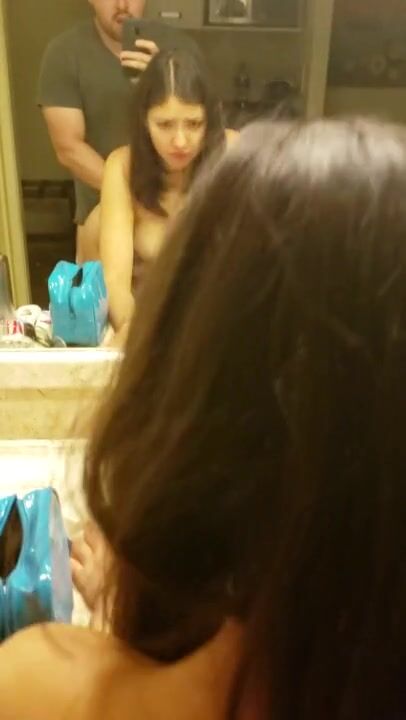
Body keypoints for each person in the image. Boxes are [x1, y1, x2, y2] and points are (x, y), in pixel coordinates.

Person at [1, 116, 406, 720]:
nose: (180, 137)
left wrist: (124, 625)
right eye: (167, 123)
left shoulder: (37, 687)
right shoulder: (124, 174)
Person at [37, 0, 197, 263]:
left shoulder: (181, 49)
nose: (122, 4)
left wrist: (164, 80)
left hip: (175, 218)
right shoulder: (64, 53)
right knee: (103, 290)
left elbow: (200, 126)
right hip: (99, 216)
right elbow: (69, 148)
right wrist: (132, 198)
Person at [98, 47, 237, 346]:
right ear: (144, 122)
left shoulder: (235, 155)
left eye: (194, 124)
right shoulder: (122, 167)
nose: (180, 141)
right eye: (164, 125)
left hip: (225, 327)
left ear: (211, 120)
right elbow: (115, 283)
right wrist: (136, 331)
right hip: (148, 326)